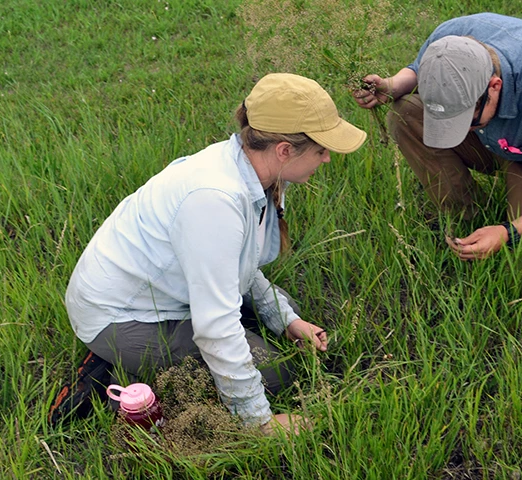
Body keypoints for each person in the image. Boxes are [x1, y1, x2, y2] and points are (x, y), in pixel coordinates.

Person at [49, 73, 367, 434]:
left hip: (166, 293)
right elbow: (216, 325)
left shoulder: (256, 173)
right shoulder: (214, 200)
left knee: (277, 315)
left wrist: (287, 320)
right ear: (283, 150)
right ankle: (115, 376)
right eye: (321, 149)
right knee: (277, 375)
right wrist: (257, 422)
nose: (326, 159)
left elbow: (240, 268)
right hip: (120, 315)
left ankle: (144, 361)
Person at [353, 13, 522, 260]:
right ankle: (467, 218)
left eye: (465, 120)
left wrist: (507, 232)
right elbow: (420, 70)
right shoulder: (448, 40)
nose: (457, 133)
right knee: (406, 110)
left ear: (494, 86)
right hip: (494, 141)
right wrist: (393, 85)